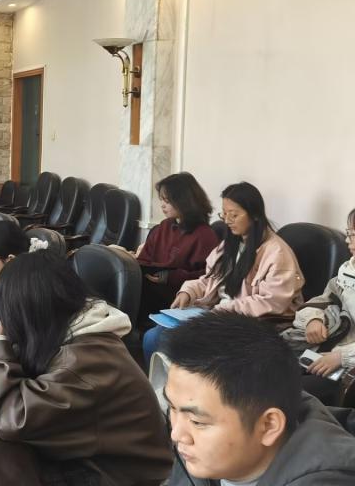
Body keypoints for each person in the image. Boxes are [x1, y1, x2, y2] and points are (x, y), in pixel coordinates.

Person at [0, 251, 172, 485]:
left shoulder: (86, 362)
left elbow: (13, 418)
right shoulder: (61, 323)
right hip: (86, 457)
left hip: (114, 474)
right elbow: (12, 347)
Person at [162, 312, 355, 484]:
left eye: (197, 422)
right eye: (172, 408)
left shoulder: (325, 479)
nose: (176, 435)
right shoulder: (202, 452)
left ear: (269, 425)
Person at [143, 182, 304, 364]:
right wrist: (188, 291)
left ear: (254, 215)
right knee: (153, 335)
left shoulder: (277, 253)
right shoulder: (231, 243)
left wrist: (222, 311)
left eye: (233, 215)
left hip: (252, 324)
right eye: (224, 214)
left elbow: (271, 302)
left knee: (165, 339)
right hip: (219, 315)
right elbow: (210, 279)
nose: (227, 221)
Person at [280, 207, 355, 405]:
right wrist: (314, 319)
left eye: (353, 235)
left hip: (346, 365)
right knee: (268, 370)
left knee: (287, 392)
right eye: (348, 233)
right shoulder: (348, 272)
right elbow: (323, 300)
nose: (348, 241)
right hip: (329, 347)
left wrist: (342, 357)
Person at [134, 172, 220, 324]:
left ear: (184, 201)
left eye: (167, 201)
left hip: (179, 296)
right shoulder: (164, 226)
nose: (162, 205)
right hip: (152, 287)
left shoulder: (205, 235)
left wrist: (171, 276)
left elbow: (207, 277)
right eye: (162, 200)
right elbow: (145, 257)